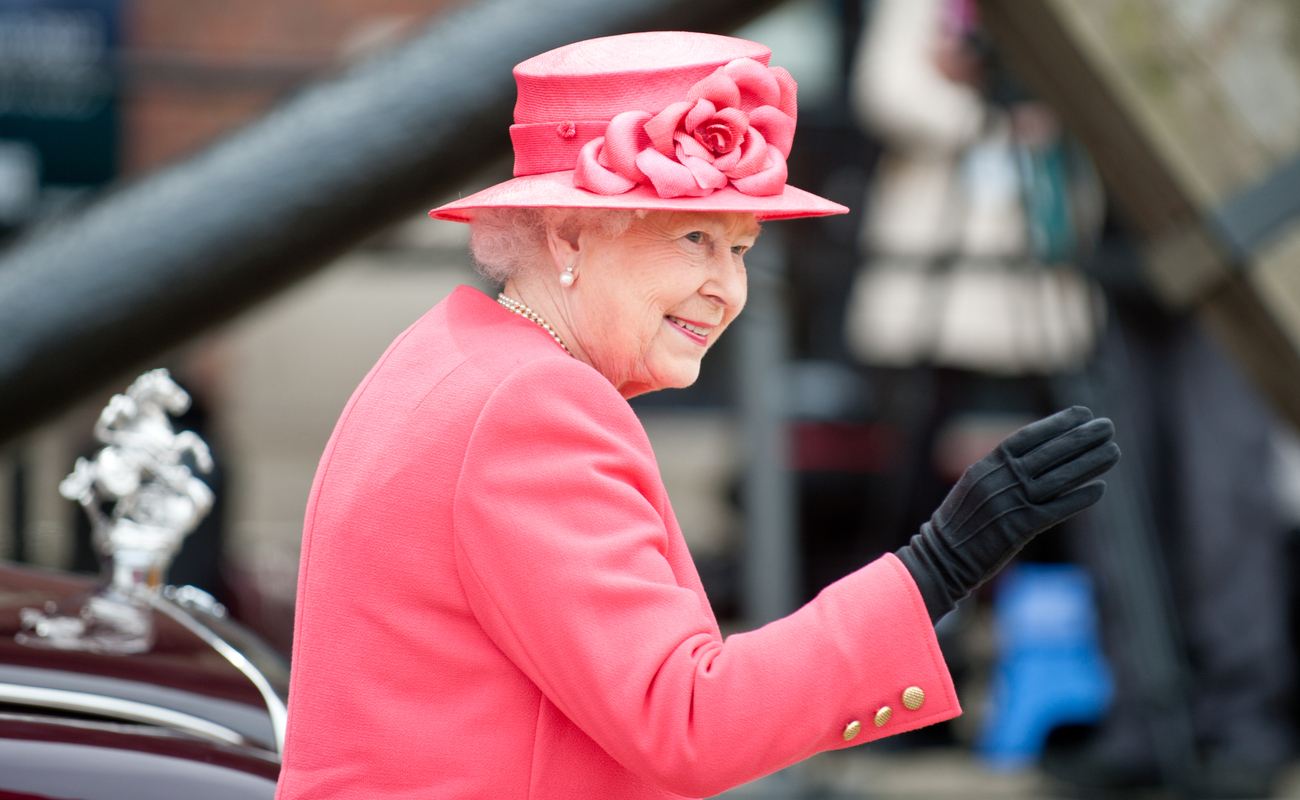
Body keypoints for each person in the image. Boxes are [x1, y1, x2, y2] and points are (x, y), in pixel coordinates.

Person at [274, 31, 1119, 800]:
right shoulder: (533, 404)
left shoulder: (456, 353)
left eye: (740, 247)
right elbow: (688, 722)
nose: (729, 289)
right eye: (692, 240)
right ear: (568, 238)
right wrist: (937, 565)